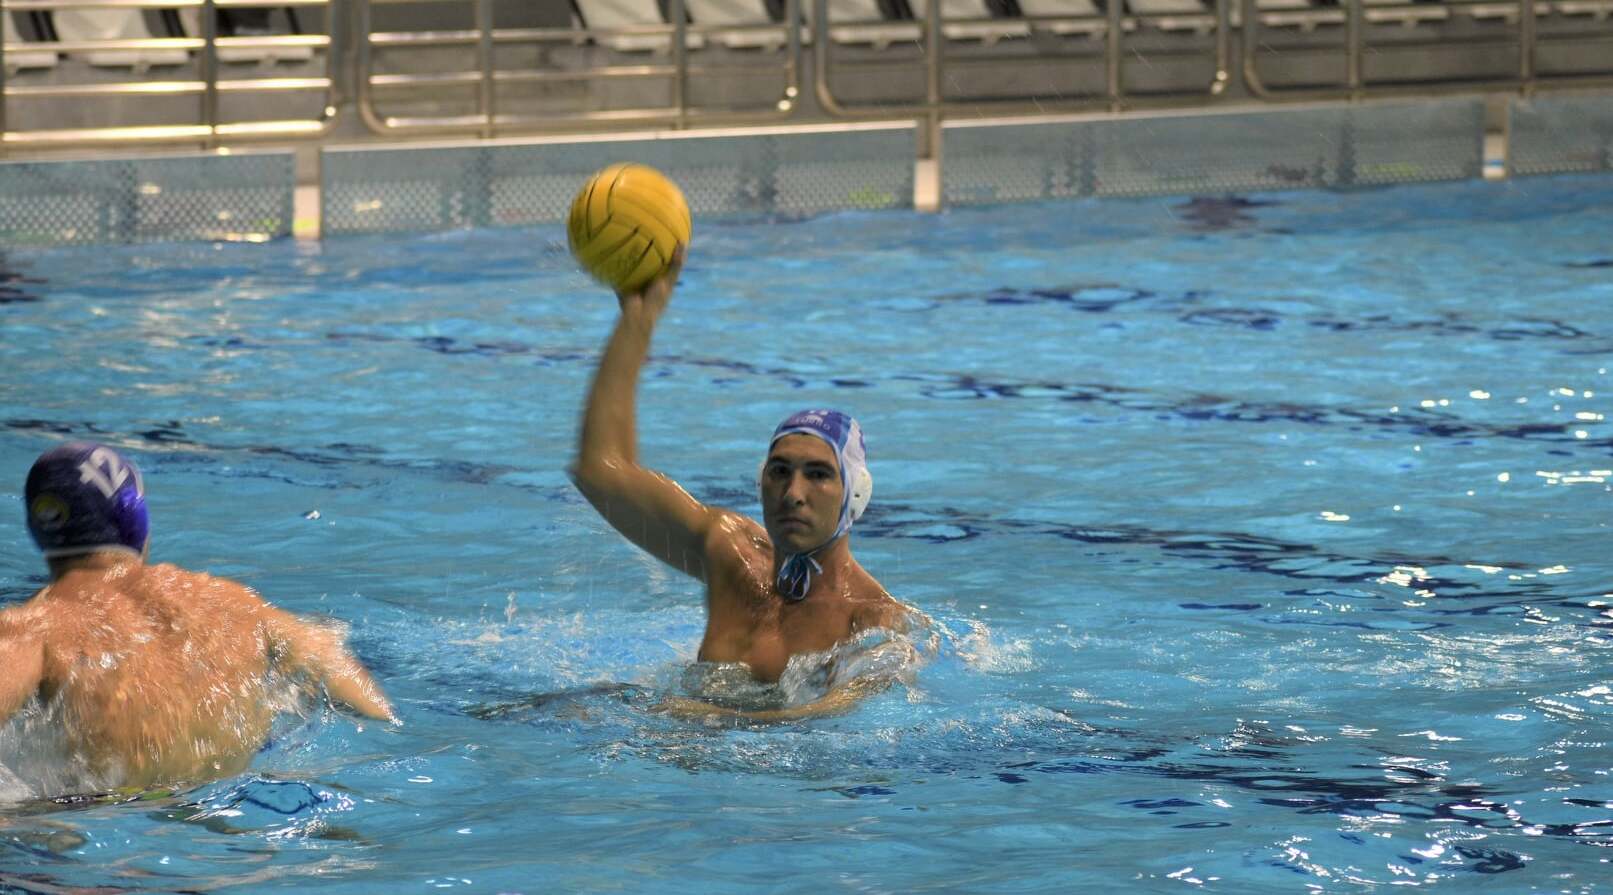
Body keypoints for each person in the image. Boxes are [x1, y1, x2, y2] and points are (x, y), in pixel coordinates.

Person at [570, 249, 915, 718]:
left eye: (818, 475)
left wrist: (707, 720)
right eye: (780, 471)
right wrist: (638, 319)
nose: (793, 494)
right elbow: (601, 472)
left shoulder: (875, 622)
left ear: (855, 495)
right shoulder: (729, 553)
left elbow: (827, 718)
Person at [0, 442, 396, 792]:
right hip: (230, 806)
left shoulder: (33, 627)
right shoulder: (233, 604)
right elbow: (372, 708)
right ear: (134, 517)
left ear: (37, 526)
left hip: (98, 817)